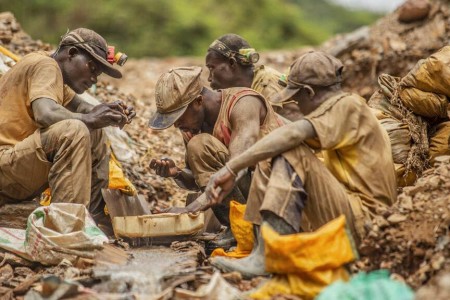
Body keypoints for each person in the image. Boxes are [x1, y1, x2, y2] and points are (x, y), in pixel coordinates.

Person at [204, 51, 397, 278]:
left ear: (309, 92)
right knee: (273, 149)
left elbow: (292, 134)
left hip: (366, 222)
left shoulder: (348, 106)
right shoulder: (338, 113)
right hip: (350, 212)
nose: (296, 106)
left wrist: (231, 168)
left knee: (289, 150)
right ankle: (262, 248)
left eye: (297, 99)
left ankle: (269, 255)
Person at [0, 28, 135, 229]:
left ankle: (94, 220)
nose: (94, 79)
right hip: (6, 168)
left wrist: (110, 112)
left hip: (16, 171)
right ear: (71, 53)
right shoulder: (46, 65)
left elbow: (83, 107)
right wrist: (89, 118)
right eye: (92, 68)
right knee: (75, 129)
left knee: (94, 128)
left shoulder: (53, 74)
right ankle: (67, 230)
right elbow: (45, 114)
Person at [148, 66, 284, 247]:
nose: (177, 125)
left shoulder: (243, 103)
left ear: (197, 101)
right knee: (199, 145)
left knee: (200, 144)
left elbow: (237, 167)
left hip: (279, 192)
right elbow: (200, 180)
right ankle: (239, 227)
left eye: (179, 117)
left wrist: (190, 210)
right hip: (250, 195)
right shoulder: (191, 127)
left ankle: (254, 228)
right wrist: (177, 173)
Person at [205, 33, 302, 121]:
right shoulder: (246, 90)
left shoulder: (267, 85)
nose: (209, 78)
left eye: (212, 68)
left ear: (232, 63)